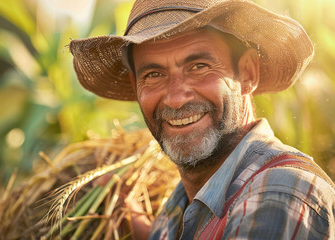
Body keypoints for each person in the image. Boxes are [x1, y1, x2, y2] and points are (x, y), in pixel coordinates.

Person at [69, 0, 335, 239]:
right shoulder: (179, 206)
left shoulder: (279, 193)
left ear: (247, 73)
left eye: (199, 67)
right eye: (153, 74)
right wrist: (126, 211)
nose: (176, 98)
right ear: (135, 85)